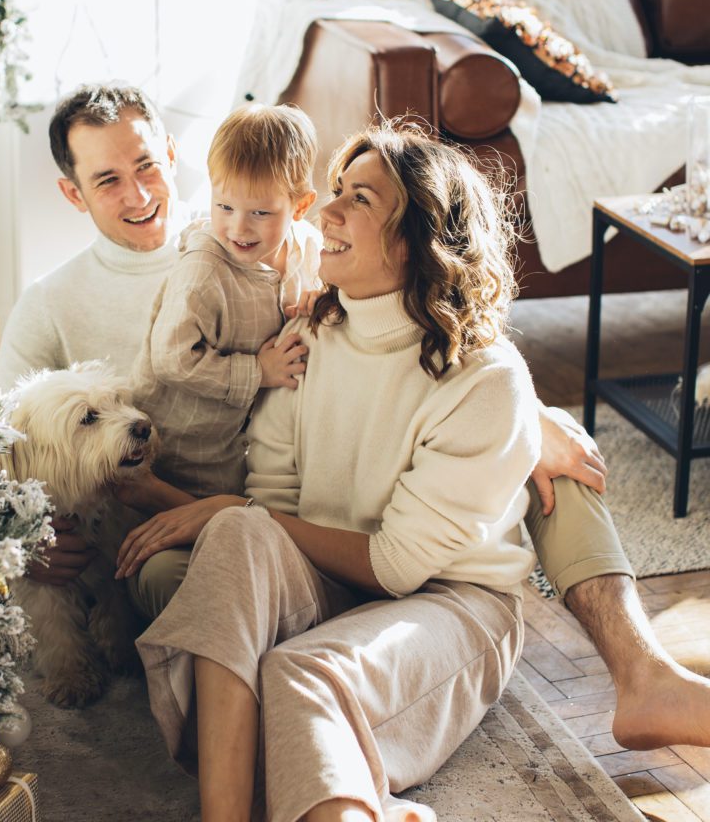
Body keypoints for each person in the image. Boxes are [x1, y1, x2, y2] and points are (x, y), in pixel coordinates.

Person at [0, 82, 710, 753]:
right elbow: (0, 455)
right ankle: (313, 688)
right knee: (180, 577)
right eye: (107, 180)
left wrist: (521, 410)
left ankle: (641, 673)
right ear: (71, 192)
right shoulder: (49, 304)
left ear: (176, 160)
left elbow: (409, 305)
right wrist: (24, 541)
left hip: (298, 472)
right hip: (205, 504)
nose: (139, 192)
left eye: (147, 165)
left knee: (555, 445)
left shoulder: (247, 221)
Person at [120, 123, 541, 820]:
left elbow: (397, 565)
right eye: (335, 193)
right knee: (238, 536)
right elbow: (273, 504)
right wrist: (241, 519)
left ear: (415, 236)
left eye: (358, 201)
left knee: (298, 672)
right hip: (337, 579)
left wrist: (244, 515)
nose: (325, 214)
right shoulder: (310, 338)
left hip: (450, 602)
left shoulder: (487, 381)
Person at [130, 103, 320, 502]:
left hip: (250, 443)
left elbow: (329, 290)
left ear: (300, 207)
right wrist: (256, 372)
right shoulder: (203, 270)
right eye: (225, 206)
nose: (238, 227)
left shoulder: (309, 247)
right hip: (185, 448)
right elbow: (171, 358)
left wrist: (322, 299)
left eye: (261, 213)